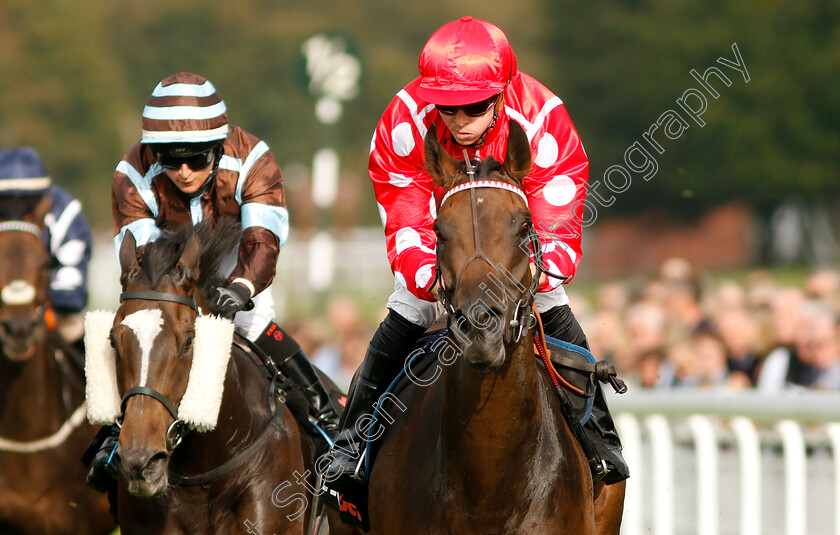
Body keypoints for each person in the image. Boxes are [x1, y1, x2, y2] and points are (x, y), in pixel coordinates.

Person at [325, 17, 629, 489]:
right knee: (407, 309)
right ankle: (351, 446)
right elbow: (405, 211)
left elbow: (557, 208)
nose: (459, 121)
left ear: (502, 94)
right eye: (447, 110)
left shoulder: (543, 117)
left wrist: (538, 271)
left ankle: (600, 440)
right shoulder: (403, 120)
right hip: (445, 240)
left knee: (554, 305)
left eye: (473, 108)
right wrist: (430, 275)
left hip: (514, 243)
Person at [87, 72, 340, 491]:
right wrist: (178, 297)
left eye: (197, 160)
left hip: (234, 247)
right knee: (141, 327)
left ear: (218, 149)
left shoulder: (254, 158)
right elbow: (142, 254)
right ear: (154, 153)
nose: (184, 172)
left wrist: (240, 287)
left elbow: (262, 239)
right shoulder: (131, 171)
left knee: (253, 323)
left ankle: (324, 418)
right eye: (172, 160)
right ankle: (116, 434)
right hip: (165, 255)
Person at [0, 147, 92, 348]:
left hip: (51, 309)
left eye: (26, 201)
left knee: (72, 326)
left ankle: (94, 380)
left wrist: (56, 303)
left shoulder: (65, 210)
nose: (16, 210)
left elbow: (71, 280)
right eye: (5, 201)